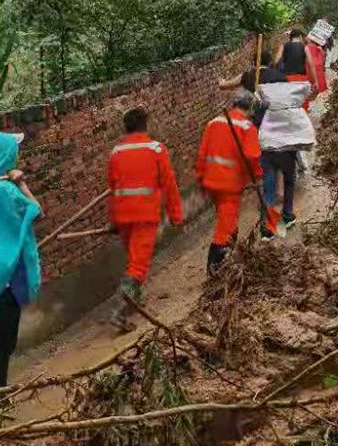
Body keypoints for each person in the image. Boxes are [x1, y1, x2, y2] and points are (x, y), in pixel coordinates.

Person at [0, 132, 42, 392]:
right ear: (7, 156)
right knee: (0, 347)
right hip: (4, 286)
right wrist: (22, 184)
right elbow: (36, 210)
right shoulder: (4, 189)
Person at [108, 107, 183, 332]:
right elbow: (169, 185)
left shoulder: (116, 152)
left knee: (133, 258)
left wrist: (113, 221)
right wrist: (176, 215)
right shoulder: (156, 149)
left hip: (123, 216)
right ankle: (119, 311)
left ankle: (134, 300)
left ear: (125, 127)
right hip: (145, 215)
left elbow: (112, 189)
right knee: (138, 264)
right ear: (145, 125)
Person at [196, 91, 262, 274]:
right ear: (250, 108)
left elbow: (202, 153)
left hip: (210, 180)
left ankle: (230, 245)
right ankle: (216, 266)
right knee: (226, 224)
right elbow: (252, 156)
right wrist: (257, 176)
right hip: (229, 184)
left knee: (225, 217)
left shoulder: (213, 123)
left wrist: (200, 178)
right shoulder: (247, 127)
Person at [257, 81, 315, 241]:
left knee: (268, 190)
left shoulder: (267, 110)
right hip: (285, 154)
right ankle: (287, 215)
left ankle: (266, 229)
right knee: (289, 181)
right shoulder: (294, 112)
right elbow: (303, 136)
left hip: (267, 152)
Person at [219, 50, 287, 128]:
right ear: (270, 62)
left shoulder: (247, 76)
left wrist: (222, 81)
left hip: (253, 118)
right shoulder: (281, 76)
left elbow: (224, 86)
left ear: (254, 62)